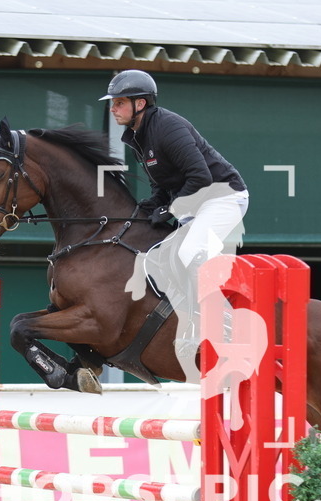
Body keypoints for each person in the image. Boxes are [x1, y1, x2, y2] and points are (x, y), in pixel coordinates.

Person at [100, 70, 249, 381]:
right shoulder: (139, 136)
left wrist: (168, 208)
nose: (112, 108)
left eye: (119, 103)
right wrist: (146, 209)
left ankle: (220, 321)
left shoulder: (167, 127)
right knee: (158, 253)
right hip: (196, 200)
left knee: (190, 251)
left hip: (222, 197)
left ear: (140, 104)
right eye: (113, 103)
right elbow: (164, 185)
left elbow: (201, 178)